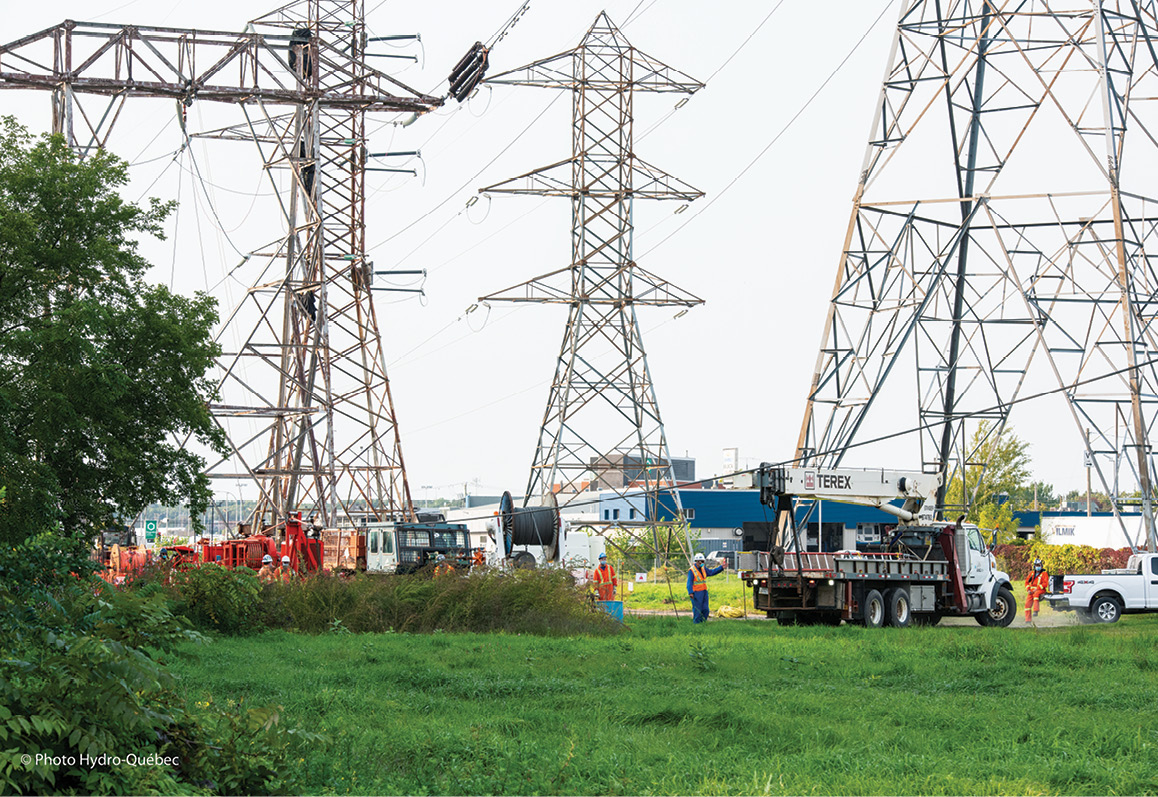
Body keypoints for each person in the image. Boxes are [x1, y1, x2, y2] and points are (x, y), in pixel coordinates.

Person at [687, 552, 725, 624]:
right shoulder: (692, 571)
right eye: (700, 561)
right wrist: (690, 592)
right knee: (698, 610)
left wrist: (721, 568)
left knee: (705, 609)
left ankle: (704, 622)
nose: (701, 563)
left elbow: (711, 572)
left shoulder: (703, 569)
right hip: (696, 593)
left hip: (704, 592)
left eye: (702, 561)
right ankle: (697, 624)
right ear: (696, 561)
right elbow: (689, 583)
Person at [1025, 557, 1049, 621]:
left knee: (1036, 595)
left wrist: (1037, 588)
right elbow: (1027, 582)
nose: (1038, 567)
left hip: (1041, 590)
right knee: (1027, 605)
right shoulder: (1032, 573)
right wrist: (1028, 590)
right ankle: (1028, 620)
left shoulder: (1044, 573)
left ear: (1041, 566)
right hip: (1031, 591)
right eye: (1036, 565)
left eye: (1039, 565)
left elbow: (1045, 584)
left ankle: (1036, 611)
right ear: (1034, 566)